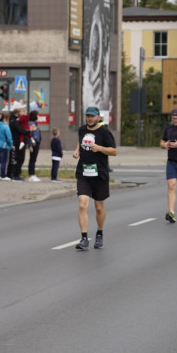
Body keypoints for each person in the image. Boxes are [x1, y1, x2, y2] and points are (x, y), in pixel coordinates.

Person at [71, 106, 117, 250]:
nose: (90, 118)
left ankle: (99, 233)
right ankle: (84, 238)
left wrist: (100, 148)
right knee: (82, 204)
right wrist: (77, 150)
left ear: (98, 117)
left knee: (98, 207)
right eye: (88, 116)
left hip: (100, 174)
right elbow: (80, 139)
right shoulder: (82, 129)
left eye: (92, 116)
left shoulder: (104, 132)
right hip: (83, 172)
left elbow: (114, 151)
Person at [8, 105, 32, 181]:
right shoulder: (14, 121)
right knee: (19, 159)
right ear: (17, 113)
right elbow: (21, 130)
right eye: (21, 112)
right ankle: (15, 175)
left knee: (20, 158)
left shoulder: (18, 120)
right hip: (17, 143)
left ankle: (16, 174)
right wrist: (29, 130)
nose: (23, 113)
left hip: (20, 142)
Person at [26, 110, 42, 181]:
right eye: (37, 115)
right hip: (33, 143)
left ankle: (33, 174)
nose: (38, 116)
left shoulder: (35, 123)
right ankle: (31, 175)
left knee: (34, 159)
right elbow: (30, 135)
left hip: (37, 143)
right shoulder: (31, 124)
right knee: (32, 159)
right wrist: (30, 145)